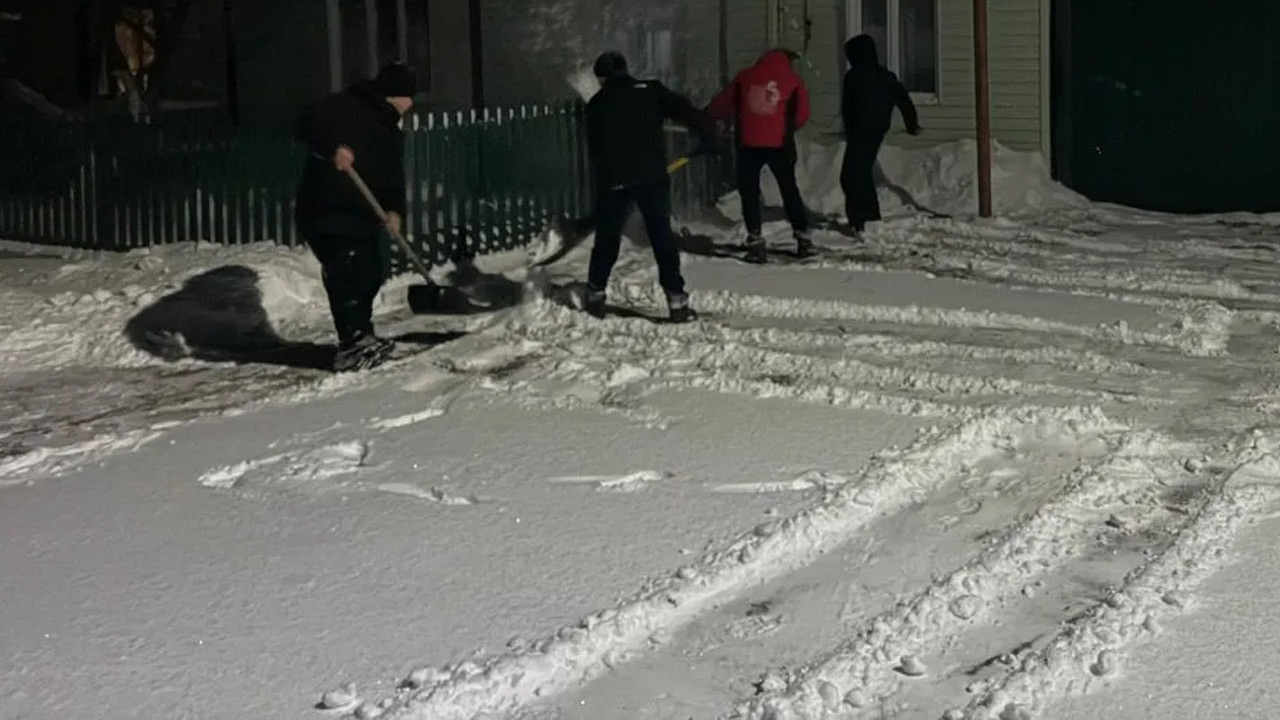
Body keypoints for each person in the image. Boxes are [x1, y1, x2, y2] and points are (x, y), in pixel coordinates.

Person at [294, 63, 417, 372]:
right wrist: (332, 148)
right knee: (349, 271)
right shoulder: (342, 107)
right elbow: (304, 123)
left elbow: (393, 177)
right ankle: (352, 344)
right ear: (393, 94)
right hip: (328, 208)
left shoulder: (390, 129)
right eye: (408, 97)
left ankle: (361, 335)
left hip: (362, 214)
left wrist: (395, 210)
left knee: (370, 272)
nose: (410, 105)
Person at [583, 51, 717, 323]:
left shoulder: (596, 104)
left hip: (614, 181)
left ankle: (595, 295)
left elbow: (594, 147)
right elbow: (686, 112)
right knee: (661, 238)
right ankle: (676, 301)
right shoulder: (650, 91)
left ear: (602, 78)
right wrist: (706, 134)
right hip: (651, 177)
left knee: (607, 239)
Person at [708, 49, 814, 263]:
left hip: (748, 143)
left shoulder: (744, 77)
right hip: (780, 144)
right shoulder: (793, 81)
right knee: (788, 189)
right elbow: (802, 115)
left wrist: (709, 117)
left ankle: (756, 240)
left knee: (749, 193)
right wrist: (786, 126)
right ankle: (803, 239)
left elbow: (722, 104)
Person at [841, 34, 922, 234]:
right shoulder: (886, 76)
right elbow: (904, 101)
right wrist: (912, 124)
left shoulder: (853, 76)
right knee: (860, 173)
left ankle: (861, 220)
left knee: (851, 175)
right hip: (877, 129)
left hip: (859, 131)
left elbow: (847, 107)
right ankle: (868, 217)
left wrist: (849, 130)